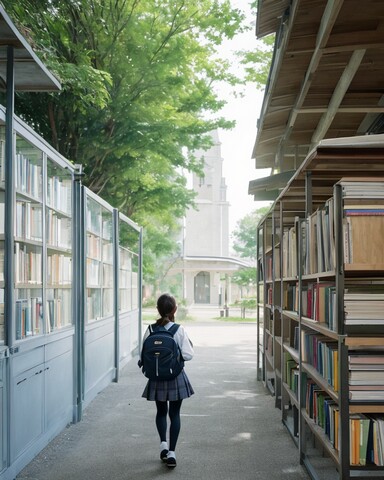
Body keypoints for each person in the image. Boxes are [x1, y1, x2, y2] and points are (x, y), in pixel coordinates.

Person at [140, 293, 194, 468]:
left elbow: (142, 354)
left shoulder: (150, 329)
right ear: (174, 310)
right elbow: (188, 355)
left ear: (157, 309)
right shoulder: (178, 330)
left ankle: (163, 443)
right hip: (175, 377)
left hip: (156, 377)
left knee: (161, 412)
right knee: (175, 414)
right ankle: (172, 453)